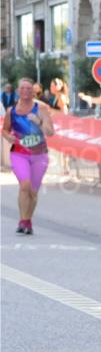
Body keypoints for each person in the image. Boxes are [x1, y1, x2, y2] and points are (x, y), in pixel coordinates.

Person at [2, 78, 54, 235]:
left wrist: (38, 122)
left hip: (39, 155)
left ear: (33, 91)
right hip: (19, 153)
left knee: (33, 191)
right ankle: (23, 220)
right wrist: (8, 137)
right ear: (18, 91)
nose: (25, 91)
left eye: (29, 88)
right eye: (22, 88)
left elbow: (50, 132)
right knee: (25, 185)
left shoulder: (41, 108)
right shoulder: (11, 111)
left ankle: (28, 220)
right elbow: (5, 130)